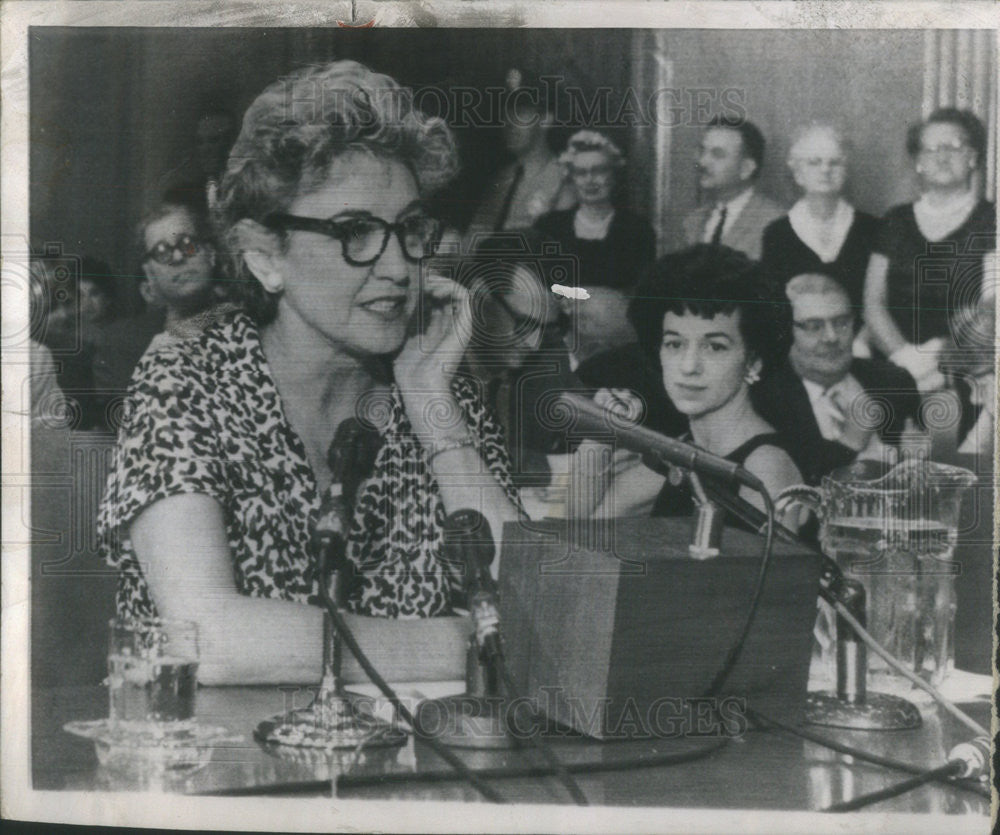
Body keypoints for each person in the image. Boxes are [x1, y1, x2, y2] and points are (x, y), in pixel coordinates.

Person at [97, 60, 523, 686]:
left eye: (409, 231)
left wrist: (431, 398)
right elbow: (207, 637)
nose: (399, 268)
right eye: (356, 232)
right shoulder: (187, 372)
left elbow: (532, 612)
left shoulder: (435, 380)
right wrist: (462, 644)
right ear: (265, 258)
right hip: (217, 761)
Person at [592, 245, 802, 524]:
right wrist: (596, 438)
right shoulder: (686, 450)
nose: (689, 366)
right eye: (674, 344)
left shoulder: (765, 466)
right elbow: (587, 526)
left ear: (754, 362)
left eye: (715, 347)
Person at [533, 131, 683, 435]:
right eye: (581, 172)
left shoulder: (636, 230)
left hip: (615, 339)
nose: (590, 180)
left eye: (599, 171)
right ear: (571, 177)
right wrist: (583, 294)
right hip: (561, 335)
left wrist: (596, 302)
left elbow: (639, 294)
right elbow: (543, 284)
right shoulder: (551, 227)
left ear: (613, 175)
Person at [864, 108, 996, 393]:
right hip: (893, 364)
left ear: (973, 157)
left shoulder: (992, 220)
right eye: (932, 148)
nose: (942, 156)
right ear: (918, 162)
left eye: (954, 147)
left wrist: (941, 363)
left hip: (965, 372)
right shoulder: (895, 220)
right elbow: (873, 303)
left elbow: (991, 311)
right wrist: (907, 360)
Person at [752, 273, 923, 485]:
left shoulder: (893, 382)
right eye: (814, 326)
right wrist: (850, 442)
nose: (831, 337)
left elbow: (920, 469)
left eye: (841, 322)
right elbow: (790, 489)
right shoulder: (765, 399)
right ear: (785, 332)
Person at [761, 124, 880, 314]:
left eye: (834, 162)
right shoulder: (777, 233)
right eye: (814, 162)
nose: (825, 169)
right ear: (798, 174)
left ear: (845, 171)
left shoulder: (872, 229)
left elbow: (879, 303)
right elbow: (773, 309)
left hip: (860, 342)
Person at [467, 69, 575, 235]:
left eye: (520, 112)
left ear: (546, 120)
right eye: (506, 112)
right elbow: (472, 245)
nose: (509, 121)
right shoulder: (500, 179)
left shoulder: (564, 182)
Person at [682, 117, 785, 261]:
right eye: (702, 151)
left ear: (746, 168)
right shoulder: (693, 221)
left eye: (717, 154)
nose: (702, 162)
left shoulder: (776, 225)